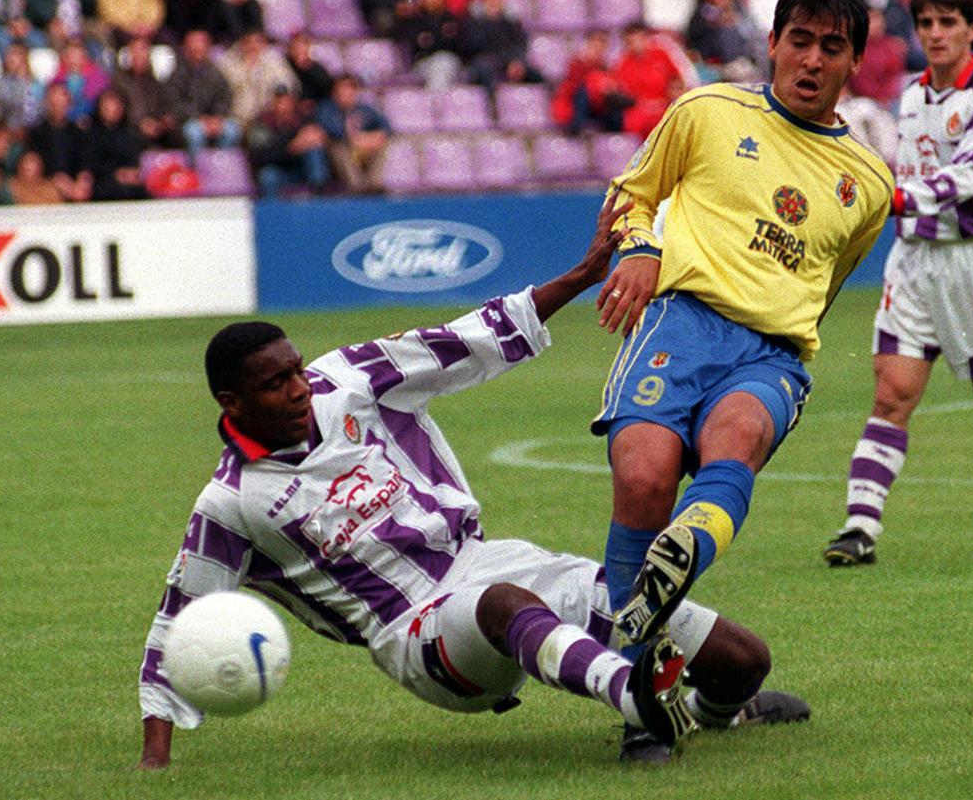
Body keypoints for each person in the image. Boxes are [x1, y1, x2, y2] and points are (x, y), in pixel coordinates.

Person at [136, 198, 811, 770]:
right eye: (274, 382)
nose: (296, 389)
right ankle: (635, 699)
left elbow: (467, 338)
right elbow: (178, 620)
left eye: (293, 370)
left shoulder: (347, 380)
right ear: (233, 403)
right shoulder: (231, 503)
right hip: (417, 632)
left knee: (742, 656)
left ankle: (714, 710)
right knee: (499, 604)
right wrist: (155, 762)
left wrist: (582, 274)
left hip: (487, 558)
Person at [590, 0, 892, 681]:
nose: (812, 60)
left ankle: (673, 570)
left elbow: (826, 283)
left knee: (738, 435)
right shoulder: (706, 111)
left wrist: (780, 330)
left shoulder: (870, 184)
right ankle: (639, 679)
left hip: (772, 354)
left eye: (831, 47)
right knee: (643, 476)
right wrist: (640, 250)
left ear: (853, 61)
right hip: (679, 323)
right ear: (773, 43)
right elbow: (631, 196)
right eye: (799, 41)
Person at [823, 0, 973, 567]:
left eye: (949, 23)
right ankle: (858, 528)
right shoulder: (914, 96)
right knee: (891, 393)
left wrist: (887, 199)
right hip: (916, 261)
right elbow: (906, 168)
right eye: (927, 23)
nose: (936, 34)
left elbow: (968, 178)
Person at [166, 28, 242, 164]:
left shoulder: (215, 72)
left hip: (214, 119)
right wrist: (200, 118)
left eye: (200, 47)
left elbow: (225, 97)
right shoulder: (176, 74)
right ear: (186, 49)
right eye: (193, 48)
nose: (197, 51)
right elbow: (175, 104)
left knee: (232, 131)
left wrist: (218, 117)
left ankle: (220, 167)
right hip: (188, 121)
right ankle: (197, 169)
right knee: (194, 133)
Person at [246, 83, 330, 196]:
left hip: (301, 168)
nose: (284, 105)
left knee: (314, 150)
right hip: (277, 169)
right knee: (268, 176)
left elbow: (319, 137)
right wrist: (291, 148)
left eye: (287, 101)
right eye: (279, 101)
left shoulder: (302, 119)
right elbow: (258, 154)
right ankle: (274, 210)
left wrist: (317, 137)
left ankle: (320, 198)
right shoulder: (261, 123)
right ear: (273, 102)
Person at [314, 73, 390, 193]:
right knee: (338, 148)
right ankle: (357, 186)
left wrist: (372, 137)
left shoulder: (365, 109)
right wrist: (354, 139)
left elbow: (386, 127)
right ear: (335, 92)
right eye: (342, 89)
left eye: (350, 89)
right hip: (337, 156)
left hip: (362, 149)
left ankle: (373, 185)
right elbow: (332, 131)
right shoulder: (327, 109)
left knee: (381, 144)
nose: (346, 93)